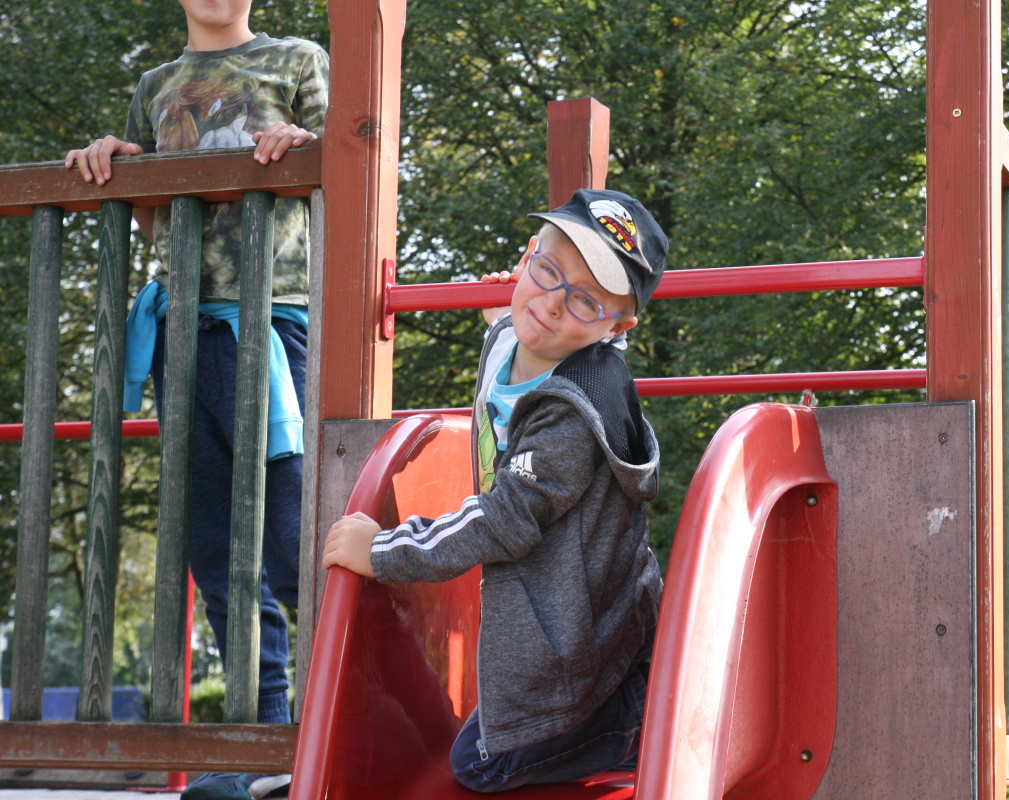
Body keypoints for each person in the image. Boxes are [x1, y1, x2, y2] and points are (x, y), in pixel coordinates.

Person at [322, 188, 668, 793]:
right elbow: (517, 326)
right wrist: (504, 314)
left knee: (479, 766)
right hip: (551, 621)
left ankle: (628, 721)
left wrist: (384, 551)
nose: (552, 305)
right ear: (528, 255)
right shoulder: (511, 337)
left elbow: (506, 520)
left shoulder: (573, 415)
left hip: (584, 639)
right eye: (548, 271)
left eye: (585, 301)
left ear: (617, 326)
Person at [65, 2, 328, 798]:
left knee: (290, 536)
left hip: (274, 322)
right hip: (183, 330)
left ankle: (324, 732)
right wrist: (114, 162)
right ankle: (256, 744)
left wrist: (306, 147)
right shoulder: (156, 85)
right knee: (214, 549)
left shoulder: (296, 60)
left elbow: (352, 166)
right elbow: (152, 212)